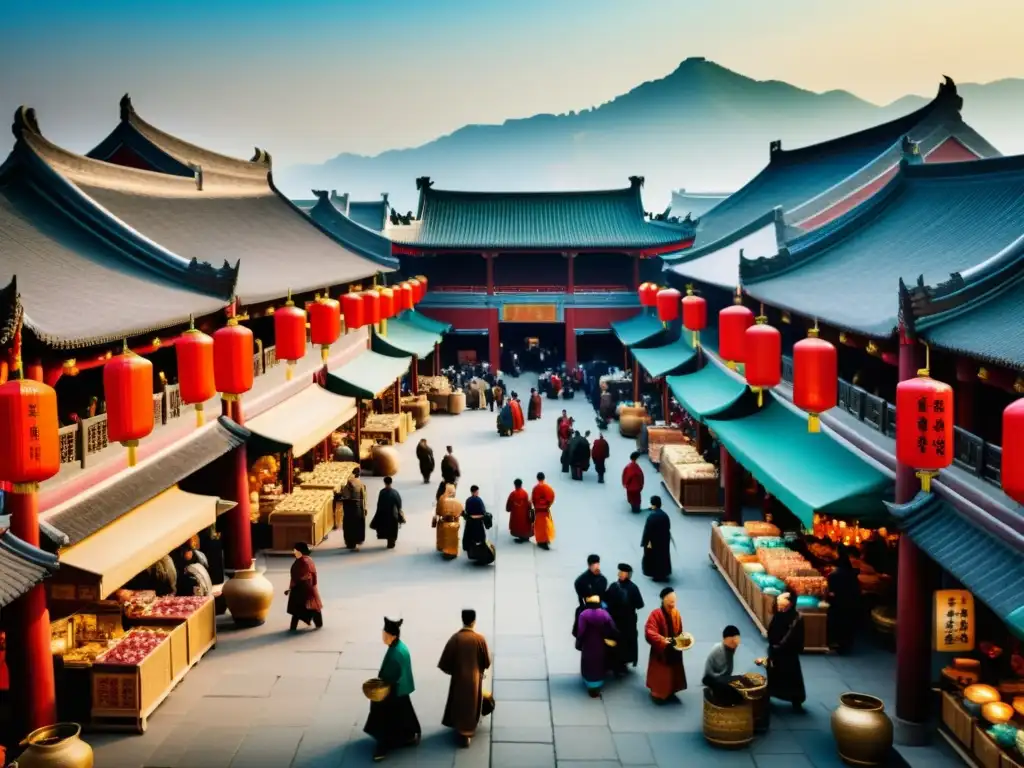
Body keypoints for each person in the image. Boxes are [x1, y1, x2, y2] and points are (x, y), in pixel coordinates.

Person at [364, 617, 421, 761]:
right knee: (403, 714)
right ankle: (408, 735)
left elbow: (388, 677)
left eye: (384, 634)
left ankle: (382, 746)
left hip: (393, 690)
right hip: (402, 687)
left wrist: (379, 685)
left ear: (392, 635)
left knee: (383, 717)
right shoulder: (400, 646)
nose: (383, 637)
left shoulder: (395, 655)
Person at [438, 609, 492, 747]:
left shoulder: (455, 638)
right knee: (472, 704)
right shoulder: (479, 639)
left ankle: (459, 727)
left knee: (458, 703)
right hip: (475, 679)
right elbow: (486, 662)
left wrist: (455, 671)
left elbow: (444, 663)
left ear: (462, 620)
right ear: (474, 621)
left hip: (458, 678)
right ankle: (468, 731)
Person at [644, 587, 688, 704]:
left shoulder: (676, 613)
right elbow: (650, 631)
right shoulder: (656, 614)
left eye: (674, 601)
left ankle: (671, 690)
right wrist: (663, 640)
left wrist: (681, 640)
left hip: (674, 648)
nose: (673, 603)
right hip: (661, 650)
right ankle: (657, 694)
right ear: (664, 600)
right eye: (670, 600)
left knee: (673, 671)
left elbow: (680, 630)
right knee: (660, 673)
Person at [765, 593, 806, 710]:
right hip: (775, 650)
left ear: (790, 602)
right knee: (774, 675)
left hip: (788, 653)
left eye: (781, 600)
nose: (778, 602)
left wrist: (780, 646)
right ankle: (771, 694)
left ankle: (796, 700)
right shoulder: (779, 614)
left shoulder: (797, 617)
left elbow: (796, 636)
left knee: (791, 676)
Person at [604, 563, 644, 674]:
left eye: (623, 573)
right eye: (620, 572)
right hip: (624, 621)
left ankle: (618, 663)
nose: (621, 574)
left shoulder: (615, 586)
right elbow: (640, 604)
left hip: (623, 621)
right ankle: (620, 663)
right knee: (624, 642)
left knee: (620, 642)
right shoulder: (632, 588)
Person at [575, 595, 618, 697]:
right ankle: (597, 684)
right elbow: (612, 627)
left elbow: (580, 631)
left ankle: (589, 683)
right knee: (599, 662)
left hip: (588, 643)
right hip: (600, 642)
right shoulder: (604, 614)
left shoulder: (584, 615)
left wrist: (579, 641)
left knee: (588, 662)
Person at [827, 548, 862, 654]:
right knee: (848, 625)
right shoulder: (852, 574)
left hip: (838, 604)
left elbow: (831, 592)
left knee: (839, 624)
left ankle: (838, 645)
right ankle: (847, 646)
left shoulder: (834, 575)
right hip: (852, 603)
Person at [702, 626, 744, 706]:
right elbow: (712, 672)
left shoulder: (729, 648)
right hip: (712, 677)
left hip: (722, 677)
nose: (736, 644)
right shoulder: (719, 650)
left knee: (742, 679)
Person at [286, 542, 323, 631]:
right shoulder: (309, 560)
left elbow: (297, 577)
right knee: (314, 608)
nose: (294, 552)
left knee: (297, 610)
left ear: (300, 551)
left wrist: (292, 587)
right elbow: (314, 575)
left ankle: (293, 628)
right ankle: (319, 624)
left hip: (301, 589)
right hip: (310, 587)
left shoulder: (301, 562)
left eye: (295, 551)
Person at [641, 496, 672, 582]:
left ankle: (656, 574)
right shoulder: (665, 515)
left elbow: (647, 531)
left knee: (654, 557)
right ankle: (664, 573)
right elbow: (668, 527)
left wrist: (645, 542)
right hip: (664, 540)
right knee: (663, 556)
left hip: (654, 541)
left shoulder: (651, 516)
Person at [370, 476, 403, 549]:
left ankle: (389, 541)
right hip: (393, 515)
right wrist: (399, 513)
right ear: (391, 483)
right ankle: (391, 541)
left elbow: (379, 504)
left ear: (384, 483)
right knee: (392, 529)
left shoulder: (382, 492)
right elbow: (399, 504)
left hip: (384, 514)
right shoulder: (395, 492)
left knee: (386, 529)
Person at [463, 486, 494, 565]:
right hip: (478, 522)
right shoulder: (479, 500)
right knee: (480, 538)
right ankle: (481, 555)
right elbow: (483, 511)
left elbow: (467, 511)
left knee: (470, 538)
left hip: (470, 522)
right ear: (475, 491)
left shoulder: (468, 500)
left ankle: (472, 553)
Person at [341, 467, 368, 551]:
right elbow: (364, 497)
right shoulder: (361, 484)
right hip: (360, 507)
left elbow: (346, 496)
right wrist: (364, 508)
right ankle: (358, 540)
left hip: (351, 507)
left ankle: (350, 543)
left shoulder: (350, 483)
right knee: (358, 525)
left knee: (350, 525)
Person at [434, 483, 463, 560]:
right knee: (454, 538)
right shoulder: (457, 502)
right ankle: (453, 551)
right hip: (454, 523)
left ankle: (442, 548)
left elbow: (438, 511)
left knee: (443, 536)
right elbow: (461, 511)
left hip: (444, 522)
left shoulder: (441, 499)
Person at [531, 472, 556, 550]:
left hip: (538, 511)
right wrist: (548, 505)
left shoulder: (535, 488)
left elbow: (533, 499)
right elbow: (552, 497)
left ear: (537, 478)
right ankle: (546, 540)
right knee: (547, 525)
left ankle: (541, 541)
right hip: (545, 510)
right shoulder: (548, 488)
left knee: (539, 527)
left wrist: (536, 506)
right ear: (544, 478)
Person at [506, 478, 533, 543]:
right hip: (524, 514)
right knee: (525, 524)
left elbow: (509, 505)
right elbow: (529, 503)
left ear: (515, 485)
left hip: (516, 514)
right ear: (521, 485)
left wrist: (508, 509)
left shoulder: (513, 494)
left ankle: (521, 537)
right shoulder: (525, 493)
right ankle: (525, 536)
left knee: (517, 525)